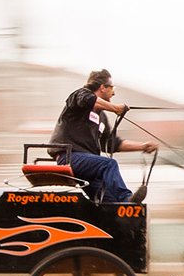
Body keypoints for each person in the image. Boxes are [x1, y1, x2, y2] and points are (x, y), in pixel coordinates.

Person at [47, 69, 158, 203]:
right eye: (112, 88)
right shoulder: (78, 96)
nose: (114, 92)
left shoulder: (102, 117)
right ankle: (127, 199)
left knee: (108, 200)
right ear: (102, 87)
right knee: (109, 164)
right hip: (69, 158)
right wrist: (115, 108)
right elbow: (88, 99)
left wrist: (142, 146)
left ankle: (120, 213)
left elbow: (112, 144)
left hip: (89, 165)